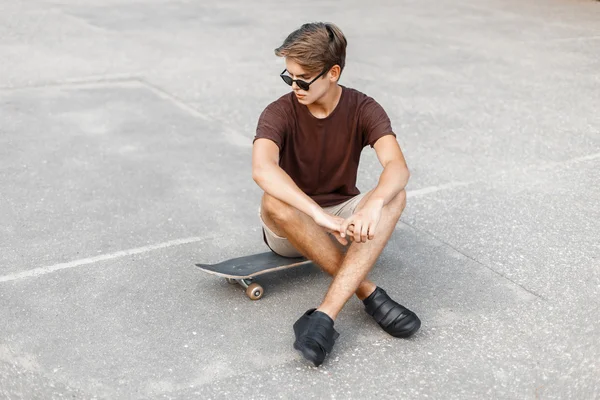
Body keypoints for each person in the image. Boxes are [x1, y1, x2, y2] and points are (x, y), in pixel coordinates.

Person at [252, 22, 421, 367]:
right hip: (293, 223)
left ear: (333, 73)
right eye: (288, 77)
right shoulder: (279, 111)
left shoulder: (363, 107)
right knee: (273, 200)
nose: (294, 86)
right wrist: (318, 215)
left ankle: (324, 315)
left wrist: (372, 205)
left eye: (302, 79)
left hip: (343, 217)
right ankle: (368, 292)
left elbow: (397, 167)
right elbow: (263, 169)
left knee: (395, 196)